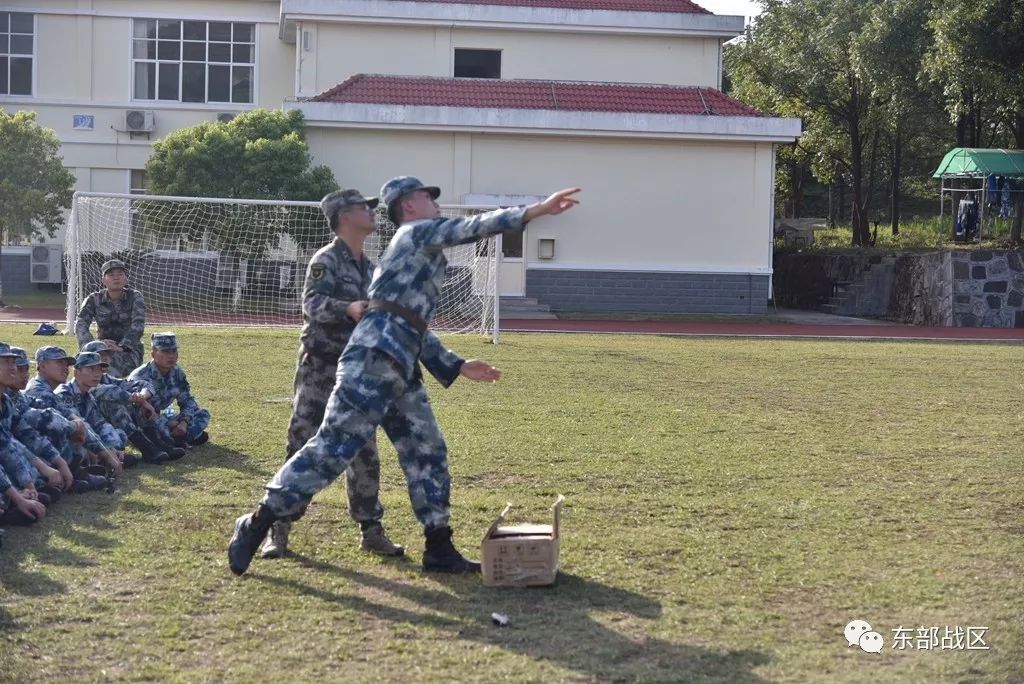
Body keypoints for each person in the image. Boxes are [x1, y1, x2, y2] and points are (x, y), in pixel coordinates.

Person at [227, 177, 580, 576]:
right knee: (332, 448)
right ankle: (258, 521)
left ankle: (438, 545)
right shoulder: (415, 233)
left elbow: (410, 320)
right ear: (409, 207)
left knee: (426, 449)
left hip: (400, 363)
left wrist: (457, 364)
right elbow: (472, 228)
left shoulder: (411, 251)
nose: (434, 202)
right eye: (427, 197)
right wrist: (537, 209)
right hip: (373, 359)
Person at [262, 188, 403, 561]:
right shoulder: (325, 261)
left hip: (357, 372)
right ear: (343, 216)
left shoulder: (370, 268)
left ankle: (371, 529)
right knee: (303, 444)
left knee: (364, 450)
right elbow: (310, 304)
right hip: (321, 367)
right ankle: (278, 528)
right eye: (363, 208)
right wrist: (348, 307)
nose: (372, 213)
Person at [25, 346, 122, 482]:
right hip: (37, 457)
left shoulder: (47, 390)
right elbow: (69, 425)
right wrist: (106, 455)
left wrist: (107, 450)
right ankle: (74, 474)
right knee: (75, 441)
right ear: (42, 366)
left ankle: (78, 471)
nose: (65, 368)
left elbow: (77, 418)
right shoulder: (40, 392)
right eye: (59, 363)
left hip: (43, 454)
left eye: (67, 364)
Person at [80, 340, 184, 461]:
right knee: (114, 404)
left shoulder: (106, 378)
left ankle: (159, 445)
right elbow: (110, 391)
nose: (104, 358)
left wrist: (143, 397)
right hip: (91, 429)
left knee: (136, 404)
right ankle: (148, 449)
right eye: (99, 355)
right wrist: (136, 399)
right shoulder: (85, 381)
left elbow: (143, 384)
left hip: (108, 427)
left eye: (106, 355)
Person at [128, 333, 210, 447]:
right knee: (154, 426)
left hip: (163, 419)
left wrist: (183, 423)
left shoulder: (177, 372)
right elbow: (136, 412)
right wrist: (171, 424)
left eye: (174, 351)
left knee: (202, 413)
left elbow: (187, 401)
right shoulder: (139, 376)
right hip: (144, 421)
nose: (171, 356)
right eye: (165, 351)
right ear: (153, 353)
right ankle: (182, 438)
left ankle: (180, 437)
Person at [75, 259, 146, 378]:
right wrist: (93, 345)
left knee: (109, 369)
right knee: (82, 366)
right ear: (103, 280)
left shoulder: (135, 297)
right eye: (111, 275)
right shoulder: (94, 299)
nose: (116, 278)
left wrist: (121, 346)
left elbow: (138, 326)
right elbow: (81, 324)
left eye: (120, 274)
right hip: (101, 348)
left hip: (128, 350)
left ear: (126, 279)